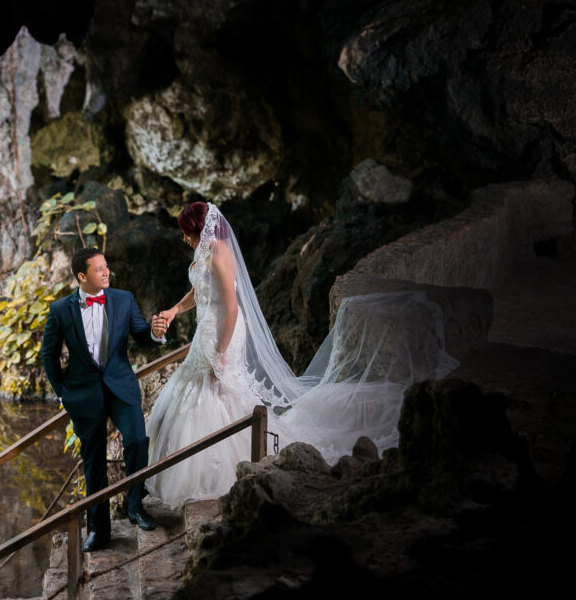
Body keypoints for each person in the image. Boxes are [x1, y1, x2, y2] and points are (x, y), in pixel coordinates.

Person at [146, 202, 458, 507]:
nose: (184, 238)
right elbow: (199, 290)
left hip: (223, 331)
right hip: (207, 330)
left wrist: (221, 354)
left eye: (187, 232)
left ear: (201, 229)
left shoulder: (219, 254)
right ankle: (202, 466)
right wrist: (174, 310)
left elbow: (229, 307)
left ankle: (227, 465)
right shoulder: (203, 253)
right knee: (200, 393)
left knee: (217, 391)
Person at [41, 248, 169, 552]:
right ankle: (99, 529)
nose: (106, 272)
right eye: (99, 269)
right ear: (82, 276)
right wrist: (62, 392)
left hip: (121, 388)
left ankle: (136, 507)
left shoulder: (123, 299)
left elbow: (142, 336)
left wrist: (155, 332)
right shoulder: (60, 310)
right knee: (93, 462)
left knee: (138, 440)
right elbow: (48, 354)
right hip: (84, 395)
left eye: (106, 267)